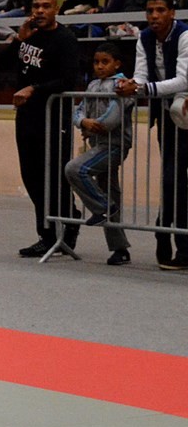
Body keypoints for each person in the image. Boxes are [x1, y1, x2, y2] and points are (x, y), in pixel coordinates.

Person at [3, 0, 82, 258]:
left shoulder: (65, 39)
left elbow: (68, 79)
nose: (39, 11)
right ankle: (49, 232)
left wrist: (34, 89)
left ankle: (64, 226)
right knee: (32, 176)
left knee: (54, 176)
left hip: (53, 117)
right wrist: (19, 39)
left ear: (55, 9)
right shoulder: (29, 36)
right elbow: (1, 66)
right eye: (35, 6)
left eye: (45, 6)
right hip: (27, 116)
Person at [116, 0, 188, 268]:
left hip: (183, 110)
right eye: (150, 11)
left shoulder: (184, 35)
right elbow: (141, 74)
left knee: (176, 181)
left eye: (160, 10)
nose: (154, 16)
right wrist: (129, 85)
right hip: (169, 117)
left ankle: (170, 237)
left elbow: (183, 80)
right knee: (172, 180)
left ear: (172, 13)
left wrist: (143, 89)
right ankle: (168, 237)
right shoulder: (144, 37)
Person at [64, 43, 134, 266]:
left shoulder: (123, 85)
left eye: (105, 62)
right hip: (97, 144)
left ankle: (102, 207)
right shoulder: (93, 85)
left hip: (113, 145)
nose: (100, 66)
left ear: (117, 64)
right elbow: (78, 111)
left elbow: (113, 118)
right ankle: (120, 248)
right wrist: (83, 122)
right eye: (96, 62)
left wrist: (94, 126)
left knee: (75, 169)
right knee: (110, 191)